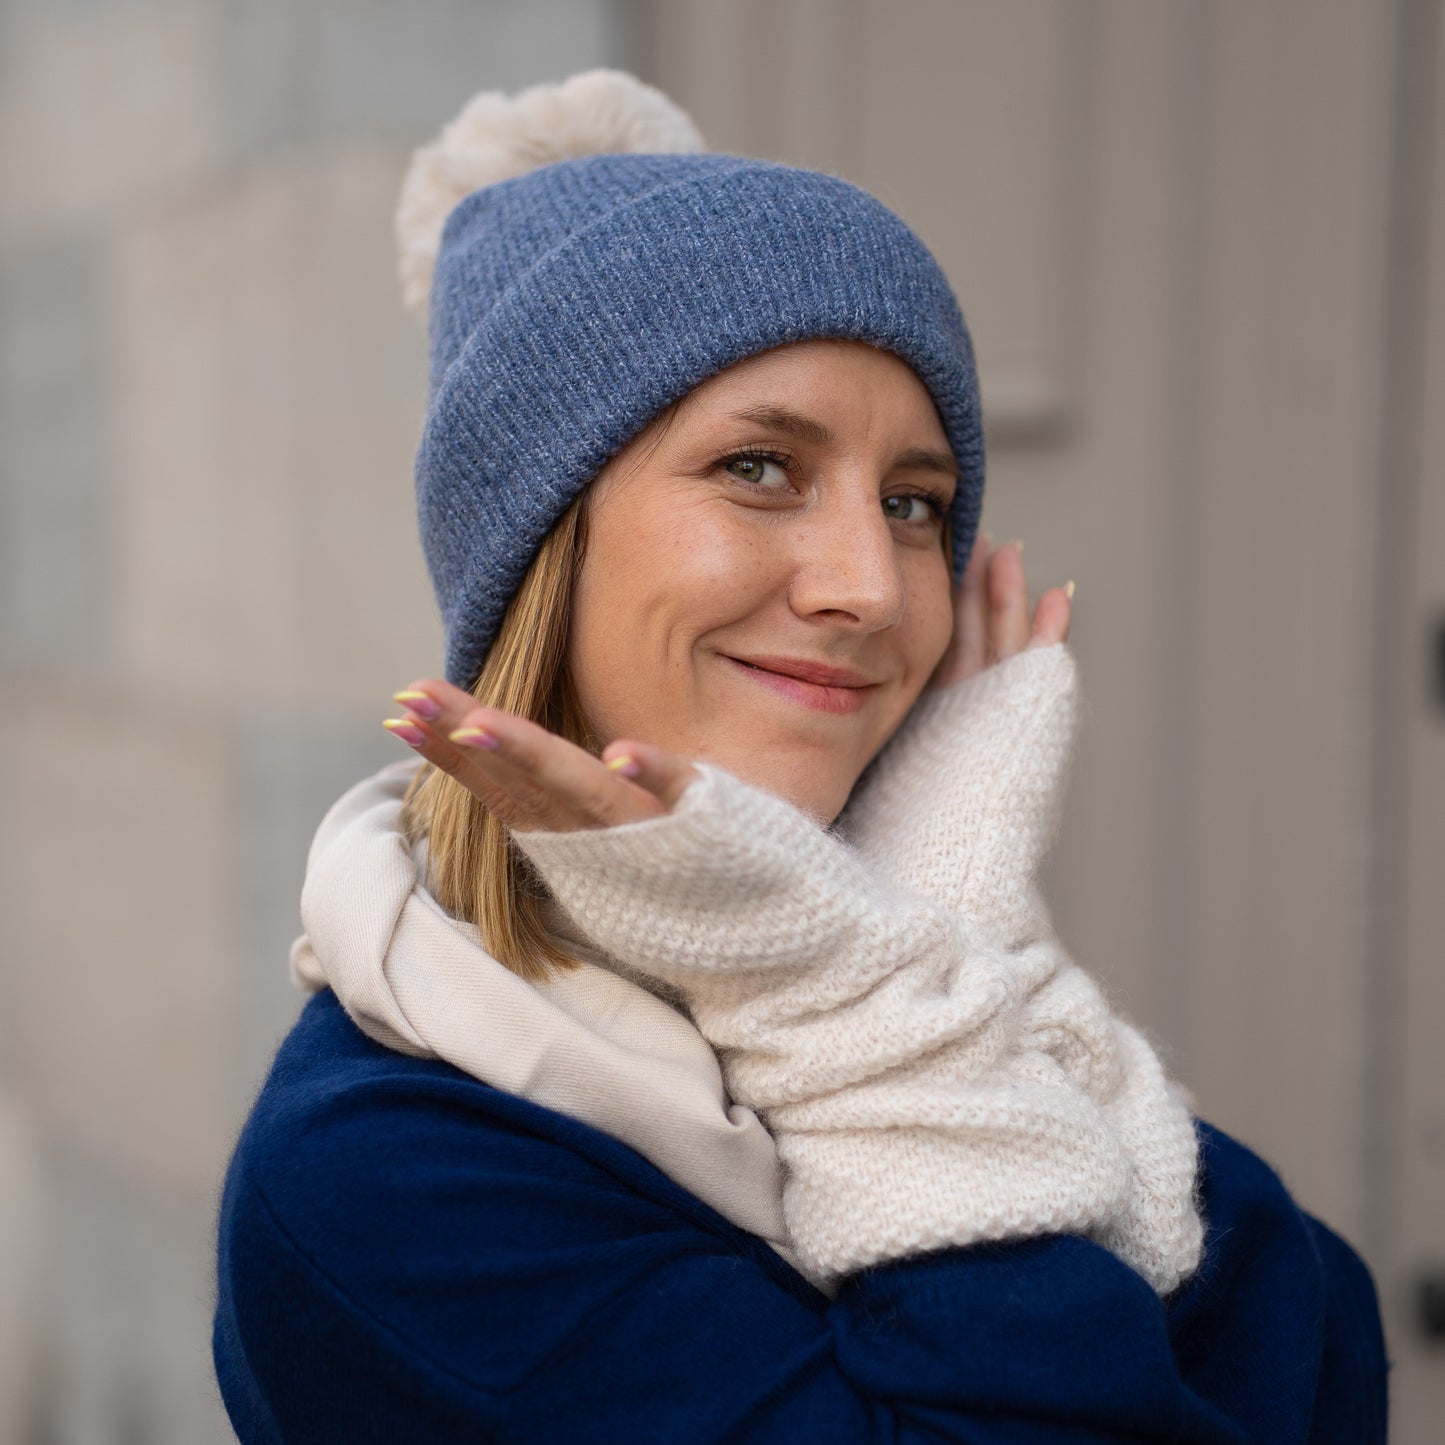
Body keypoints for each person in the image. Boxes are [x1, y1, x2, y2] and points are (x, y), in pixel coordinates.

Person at [212, 70, 1389, 1441]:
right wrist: (847, 1002)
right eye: (759, 467)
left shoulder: (899, 972)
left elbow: (1319, 1322)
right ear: (545, 544)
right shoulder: (391, 1176)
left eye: (912, 502)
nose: (871, 588)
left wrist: (956, 929)